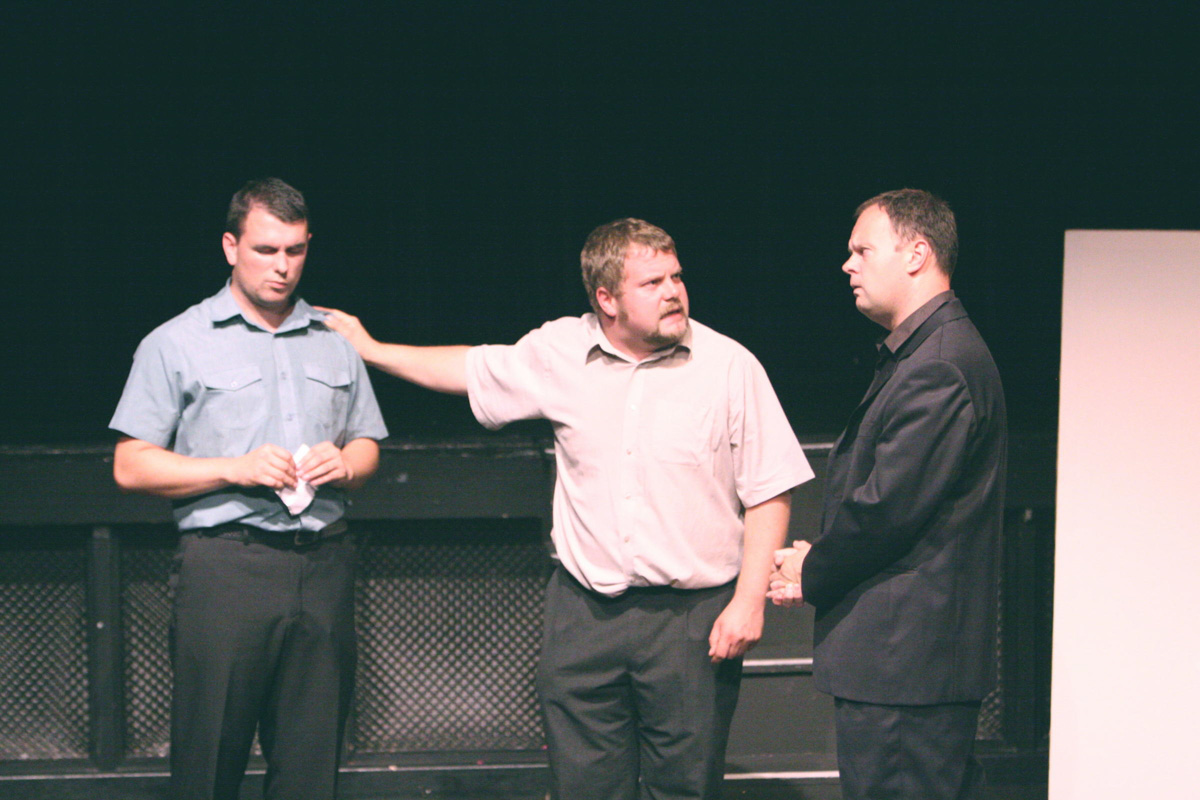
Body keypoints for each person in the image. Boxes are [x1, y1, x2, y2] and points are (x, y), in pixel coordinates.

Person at [319, 218, 813, 800]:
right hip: (583, 616)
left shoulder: (729, 366)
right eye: (652, 283)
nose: (673, 292)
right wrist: (372, 351)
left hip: (689, 618)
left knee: (684, 787)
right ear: (607, 299)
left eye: (676, 277)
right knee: (584, 786)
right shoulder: (560, 351)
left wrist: (749, 602)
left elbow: (769, 490)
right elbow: (470, 368)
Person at [110, 178, 388, 800]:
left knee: (312, 763)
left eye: (295, 250)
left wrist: (346, 463)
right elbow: (130, 466)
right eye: (266, 250)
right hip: (227, 567)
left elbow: (368, 444)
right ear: (231, 247)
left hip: (322, 562)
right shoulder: (177, 341)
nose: (282, 266)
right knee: (210, 759)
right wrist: (233, 469)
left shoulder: (336, 340)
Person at [768, 189, 1007, 800]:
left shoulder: (939, 364)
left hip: (908, 667)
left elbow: (887, 511)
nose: (848, 265)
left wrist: (811, 569)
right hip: (909, 665)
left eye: (862, 250)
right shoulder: (926, 353)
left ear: (916, 255)